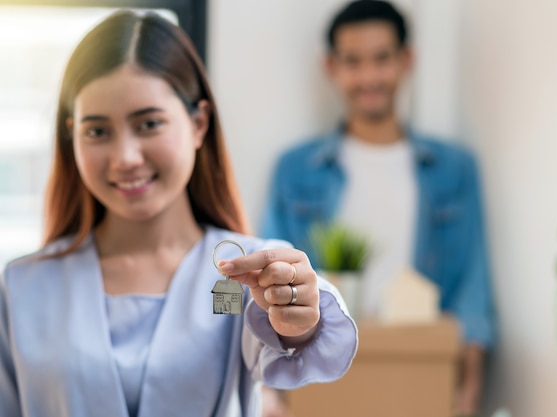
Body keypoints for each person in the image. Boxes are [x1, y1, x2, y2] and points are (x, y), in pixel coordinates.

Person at [0, 11, 357, 417]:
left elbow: (294, 335)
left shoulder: (246, 274)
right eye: (97, 131)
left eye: (149, 123)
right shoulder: (21, 287)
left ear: (198, 123)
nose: (125, 158)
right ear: (72, 136)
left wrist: (301, 318)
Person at [262, 1, 495, 415]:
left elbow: (472, 289)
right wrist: (271, 393)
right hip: (321, 376)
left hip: (419, 375)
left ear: (407, 60)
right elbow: (268, 284)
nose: (369, 76)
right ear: (331, 67)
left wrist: (469, 389)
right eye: (353, 61)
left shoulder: (453, 170)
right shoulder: (295, 171)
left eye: (381, 59)